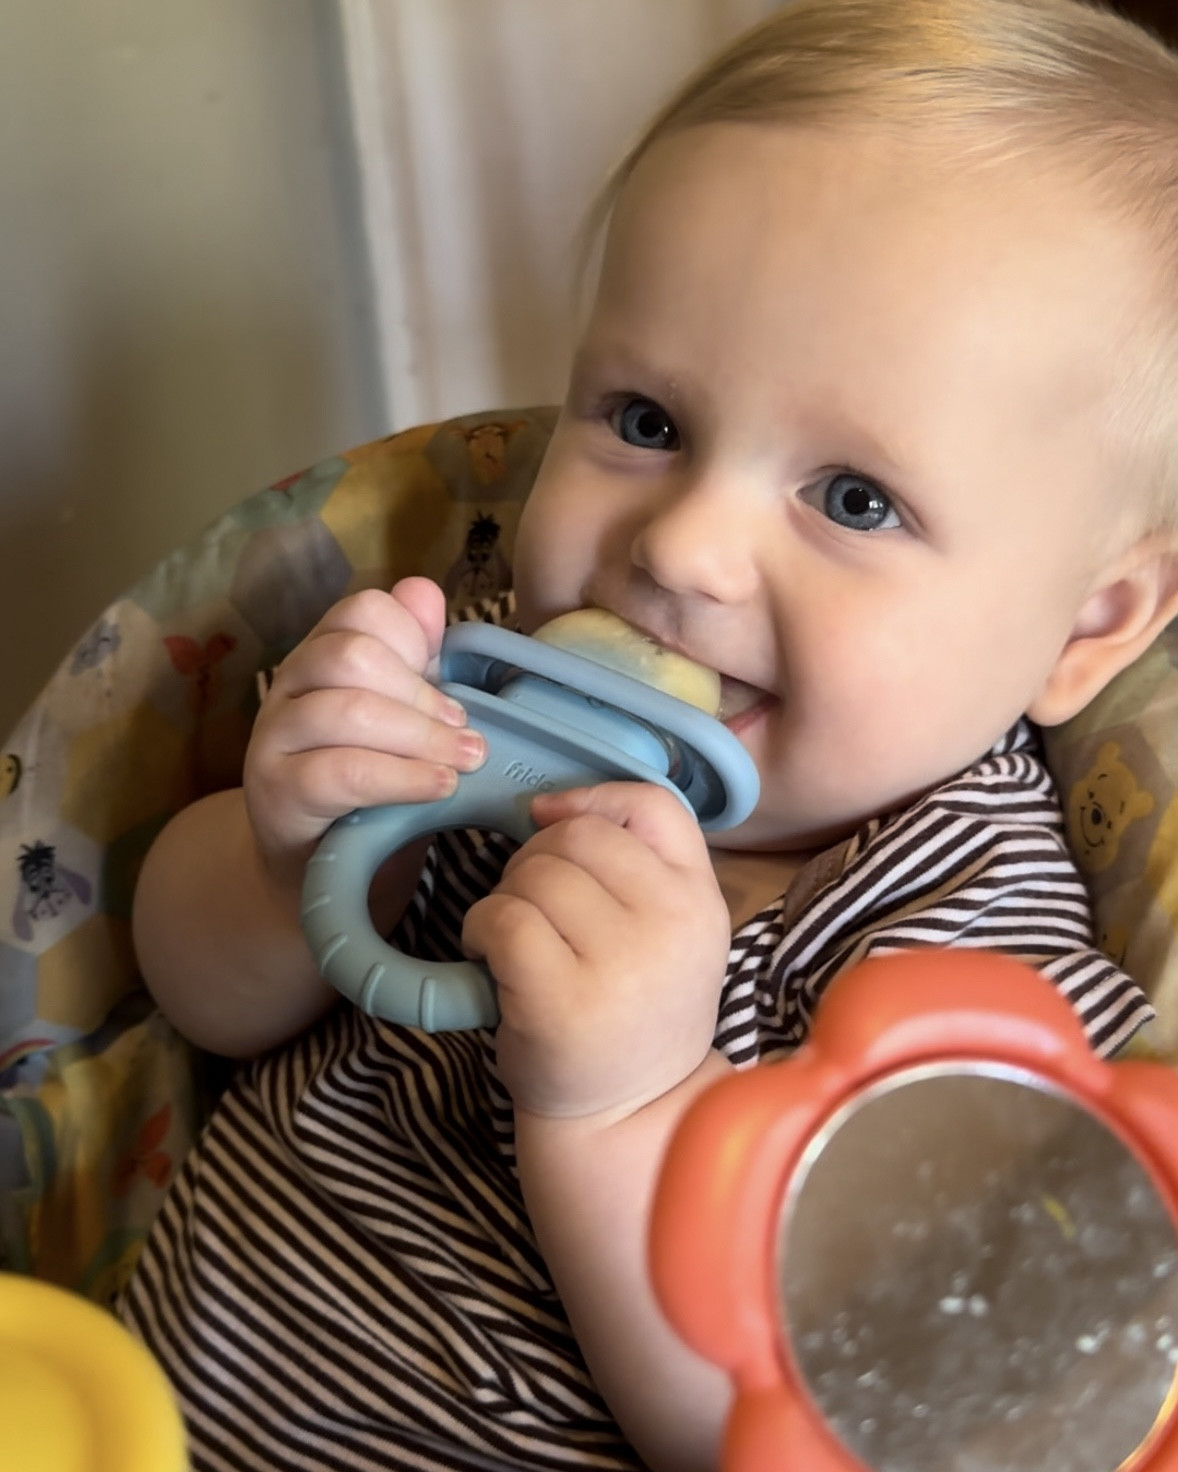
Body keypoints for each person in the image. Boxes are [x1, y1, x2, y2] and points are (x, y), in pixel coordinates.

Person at [118, 1, 1178, 1468]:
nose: (682, 548)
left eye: (853, 499)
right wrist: (284, 842)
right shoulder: (486, 678)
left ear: (1083, 626)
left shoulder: (970, 983)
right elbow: (197, 993)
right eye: (644, 419)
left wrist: (623, 1106)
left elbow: (832, 1423)